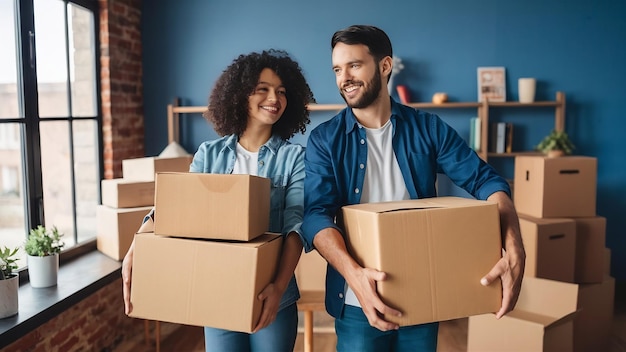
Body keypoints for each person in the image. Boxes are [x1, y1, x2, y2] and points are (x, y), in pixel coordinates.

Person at [301, 25, 526, 352]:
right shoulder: (324, 140)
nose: (344, 77)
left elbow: (486, 181)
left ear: (385, 65)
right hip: (356, 298)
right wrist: (355, 277)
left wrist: (514, 244)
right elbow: (315, 216)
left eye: (354, 65)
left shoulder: (428, 128)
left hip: (423, 291)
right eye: (337, 69)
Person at [122, 49, 315, 352]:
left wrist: (278, 288)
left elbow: (295, 226)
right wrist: (137, 244)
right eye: (262, 89)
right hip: (217, 289)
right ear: (241, 95)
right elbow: (180, 207)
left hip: (272, 292)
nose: (274, 98)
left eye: (281, 91)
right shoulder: (209, 154)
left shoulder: (295, 158)